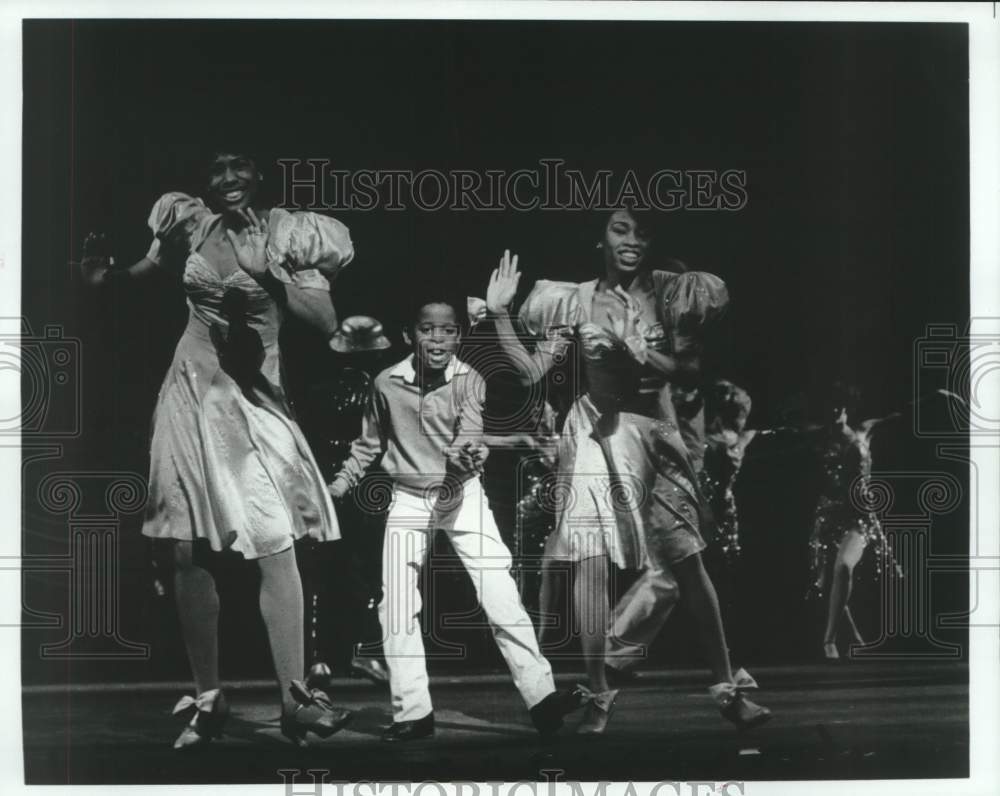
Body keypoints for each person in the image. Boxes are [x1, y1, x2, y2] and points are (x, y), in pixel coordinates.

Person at [78, 148, 354, 749]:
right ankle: (210, 697)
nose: (229, 180)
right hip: (189, 388)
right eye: (218, 170)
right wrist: (107, 277)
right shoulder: (189, 221)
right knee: (181, 546)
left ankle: (294, 701)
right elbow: (146, 271)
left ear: (260, 174)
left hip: (251, 399)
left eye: (241, 168)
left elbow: (327, 321)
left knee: (274, 540)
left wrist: (270, 274)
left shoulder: (290, 234)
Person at [484, 209, 771, 734]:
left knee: (686, 560)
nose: (632, 240)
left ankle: (728, 689)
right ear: (601, 239)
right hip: (594, 431)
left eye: (642, 232)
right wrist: (500, 314)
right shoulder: (572, 299)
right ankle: (597, 695)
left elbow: (690, 370)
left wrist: (643, 354)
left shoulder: (674, 292)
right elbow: (529, 373)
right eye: (621, 230)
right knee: (589, 562)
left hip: (655, 433)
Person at [327, 294, 586, 742]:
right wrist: (337, 486)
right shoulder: (387, 383)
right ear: (411, 335)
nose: (438, 338)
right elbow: (368, 444)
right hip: (409, 499)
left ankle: (542, 699)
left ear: (459, 336)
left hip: (461, 495)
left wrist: (468, 452)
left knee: (500, 592)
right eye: (428, 329)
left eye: (447, 330)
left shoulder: (471, 379)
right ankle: (413, 713)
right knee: (398, 607)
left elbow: (471, 429)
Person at [809, 383, 900, 660]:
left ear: (847, 408)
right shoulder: (818, 436)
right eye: (829, 408)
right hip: (828, 516)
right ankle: (857, 638)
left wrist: (937, 396)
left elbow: (901, 414)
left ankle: (829, 640)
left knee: (844, 568)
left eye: (839, 407)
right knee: (827, 584)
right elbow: (780, 432)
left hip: (858, 517)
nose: (834, 412)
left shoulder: (864, 431)